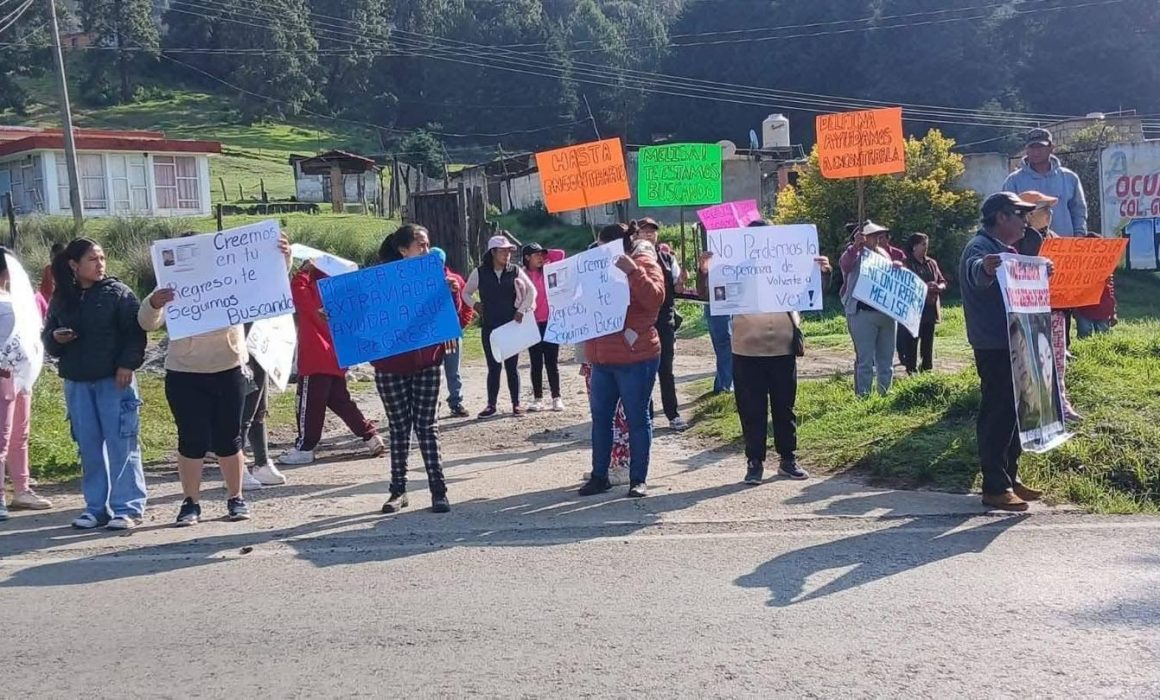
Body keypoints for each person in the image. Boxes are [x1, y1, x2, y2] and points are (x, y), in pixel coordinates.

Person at [139, 233, 291, 527]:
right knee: (191, 440)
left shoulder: (231, 275)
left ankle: (235, 498)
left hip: (229, 367)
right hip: (184, 371)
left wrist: (282, 257)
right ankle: (190, 503)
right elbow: (148, 323)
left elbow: (266, 287)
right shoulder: (170, 282)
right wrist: (154, 302)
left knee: (229, 438)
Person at [697, 222, 832, 485]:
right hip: (746, 350)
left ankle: (788, 459)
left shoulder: (790, 265)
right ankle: (754, 462)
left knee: (785, 407)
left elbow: (812, 294)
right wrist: (704, 272)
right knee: (751, 410)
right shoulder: (732, 269)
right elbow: (709, 296)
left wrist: (823, 272)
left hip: (783, 349)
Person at [42, 239, 146, 530]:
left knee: (122, 444)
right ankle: (95, 507)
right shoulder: (63, 297)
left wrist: (127, 364)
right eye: (92, 259)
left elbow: (135, 333)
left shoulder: (119, 293)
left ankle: (128, 508)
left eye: (102, 258)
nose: (100, 264)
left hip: (115, 381)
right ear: (74, 265)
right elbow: (48, 338)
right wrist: (56, 339)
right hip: (77, 382)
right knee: (88, 447)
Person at [961, 191, 1048, 512]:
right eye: (1020, 215)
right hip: (994, 344)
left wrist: (1039, 271)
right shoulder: (981, 248)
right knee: (998, 412)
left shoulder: (1005, 249)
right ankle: (995, 486)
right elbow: (976, 271)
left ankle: (1009, 477)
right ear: (1001, 217)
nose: (1026, 221)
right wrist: (985, 269)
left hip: (1013, 341)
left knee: (1014, 410)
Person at [579, 222, 665, 498]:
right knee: (601, 420)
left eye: (607, 248)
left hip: (636, 356)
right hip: (601, 356)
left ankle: (637, 479)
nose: (602, 253)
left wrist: (633, 272)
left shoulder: (644, 261)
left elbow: (655, 299)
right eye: (600, 249)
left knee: (637, 419)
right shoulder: (595, 266)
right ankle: (599, 476)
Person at [374, 225, 454, 514]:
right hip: (389, 365)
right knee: (399, 429)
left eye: (428, 244)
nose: (426, 249)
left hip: (426, 362)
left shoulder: (437, 275)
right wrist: (332, 315)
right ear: (402, 249)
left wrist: (452, 295)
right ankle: (398, 491)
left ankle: (438, 490)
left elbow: (452, 318)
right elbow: (358, 316)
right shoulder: (378, 280)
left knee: (427, 426)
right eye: (420, 244)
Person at [278, 259, 385, 465]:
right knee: (342, 402)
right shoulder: (339, 293)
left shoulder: (311, 290)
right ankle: (371, 436)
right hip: (336, 358)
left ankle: (305, 447)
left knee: (309, 406)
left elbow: (297, 292)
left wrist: (303, 272)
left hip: (314, 359)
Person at [1018, 190, 1081, 422]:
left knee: (1057, 359)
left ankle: (1060, 402)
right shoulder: (1019, 240)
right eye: (1044, 209)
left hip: (1056, 310)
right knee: (1030, 360)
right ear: (1029, 214)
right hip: (1029, 312)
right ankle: (1033, 406)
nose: (1050, 213)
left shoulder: (1053, 236)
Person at [0, 247, 53, 520]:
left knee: (20, 434)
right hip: (3, 375)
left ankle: (21, 488)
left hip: (23, 373)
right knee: (2, 436)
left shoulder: (17, 297)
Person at [462, 233, 536, 418]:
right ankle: (491, 405)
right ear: (493, 252)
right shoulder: (479, 272)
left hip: (511, 324)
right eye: (503, 251)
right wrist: (475, 305)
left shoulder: (515, 271)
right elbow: (466, 293)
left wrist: (522, 310)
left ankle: (516, 403)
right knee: (493, 366)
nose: (507, 255)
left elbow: (531, 292)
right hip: (490, 326)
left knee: (512, 366)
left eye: (509, 251)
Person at [635, 218, 687, 431]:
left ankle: (672, 414)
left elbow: (679, 288)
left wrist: (682, 280)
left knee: (666, 369)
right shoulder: (631, 259)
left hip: (664, 319)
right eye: (644, 231)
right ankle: (645, 415)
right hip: (639, 320)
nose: (649, 234)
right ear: (636, 235)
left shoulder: (667, 258)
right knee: (641, 370)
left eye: (652, 231)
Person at [840, 220, 901, 397]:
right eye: (873, 235)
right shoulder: (853, 254)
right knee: (865, 360)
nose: (877, 238)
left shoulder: (883, 253)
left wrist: (895, 268)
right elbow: (845, 265)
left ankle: (885, 392)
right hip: (862, 314)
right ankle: (863, 395)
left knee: (886, 359)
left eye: (877, 235)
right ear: (863, 237)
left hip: (886, 313)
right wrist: (855, 248)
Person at [1002, 128, 1088, 236]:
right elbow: (1007, 214)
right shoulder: (1013, 181)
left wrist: (1079, 237)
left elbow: (1078, 211)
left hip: (1064, 245)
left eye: (1041, 147)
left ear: (1051, 148)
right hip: (1028, 248)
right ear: (1026, 150)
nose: (1036, 152)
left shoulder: (1069, 178)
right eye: (1032, 147)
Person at [239, 326, 287, 490]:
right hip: (236, 341)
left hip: (260, 336)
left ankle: (262, 462)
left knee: (259, 408)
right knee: (244, 409)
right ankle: (237, 467)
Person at [522, 242, 566, 412]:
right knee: (535, 362)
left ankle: (557, 397)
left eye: (542, 254)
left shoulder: (548, 269)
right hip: (531, 323)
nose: (541, 257)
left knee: (552, 362)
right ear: (527, 258)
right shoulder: (522, 274)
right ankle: (538, 398)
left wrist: (545, 254)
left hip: (550, 322)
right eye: (536, 255)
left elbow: (560, 253)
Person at [432, 247, 474, 417]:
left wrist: (460, 324)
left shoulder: (454, 279)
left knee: (452, 369)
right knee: (432, 371)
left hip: (450, 333)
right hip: (430, 335)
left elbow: (466, 304)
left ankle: (456, 401)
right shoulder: (419, 282)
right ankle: (431, 404)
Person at [898, 233, 947, 374]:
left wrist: (939, 287)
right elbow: (904, 285)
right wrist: (924, 287)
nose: (926, 247)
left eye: (927, 244)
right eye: (923, 244)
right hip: (913, 310)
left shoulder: (931, 263)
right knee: (912, 341)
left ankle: (927, 369)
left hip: (930, 309)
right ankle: (911, 369)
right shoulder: (906, 263)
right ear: (914, 246)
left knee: (928, 341)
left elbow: (942, 281)